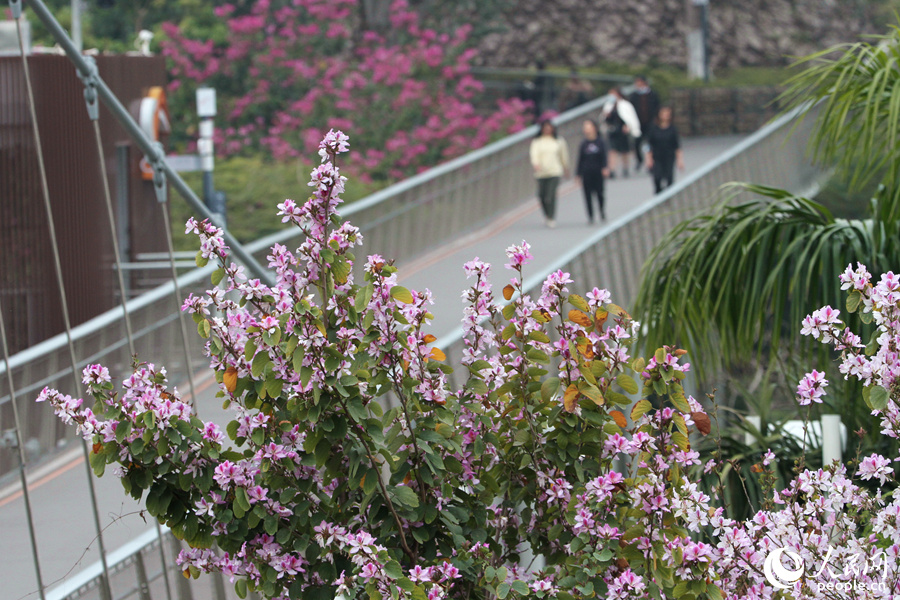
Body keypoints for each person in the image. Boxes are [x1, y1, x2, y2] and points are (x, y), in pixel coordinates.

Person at [530, 119, 569, 228]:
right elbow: (534, 155)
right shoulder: (537, 142)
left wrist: (565, 168)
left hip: (555, 171)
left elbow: (563, 156)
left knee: (551, 195)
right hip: (541, 172)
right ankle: (546, 214)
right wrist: (536, 164)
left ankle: (551, 217)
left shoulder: (558, 141)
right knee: (541, 195)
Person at [601, 87, 640, 178]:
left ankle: (625, 168)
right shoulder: (608, 105)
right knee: (612, 150)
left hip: (623, 131)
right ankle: (612, 170)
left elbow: (630, 118)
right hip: (612, 130)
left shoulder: (625, 105)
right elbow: (604, 118)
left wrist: (629, 127)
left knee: (624, 151)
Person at [576, 119, 610, 224]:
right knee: (587, 195)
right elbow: (580, 160)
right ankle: (590, 215)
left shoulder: (600, 142)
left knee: (599, 193)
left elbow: (604, 155)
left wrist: (605, 167)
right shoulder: (583, 144)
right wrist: (578, 174)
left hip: (598, 171)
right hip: (587, 172)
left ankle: (602, 212)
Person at [645, 106, 684, 194]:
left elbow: (677, 146)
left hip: (669, 156)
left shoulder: (672, 129)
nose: (665, 116)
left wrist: (680, 160)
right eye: (663, 114)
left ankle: (669, 196)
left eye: (667, 114)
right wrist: (648, 158)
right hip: (657, 156)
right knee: (657, 177)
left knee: (669, 178)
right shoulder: (653, 128)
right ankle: (658, 194)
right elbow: (648, 145)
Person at [628, 75, 660, 172]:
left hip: (650, 123)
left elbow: (657, 107)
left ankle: (650, 162)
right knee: (637, 143)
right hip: (638, 123)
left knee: (650, 143)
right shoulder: (633, 96)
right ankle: (639, 159)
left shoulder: (653, 95)